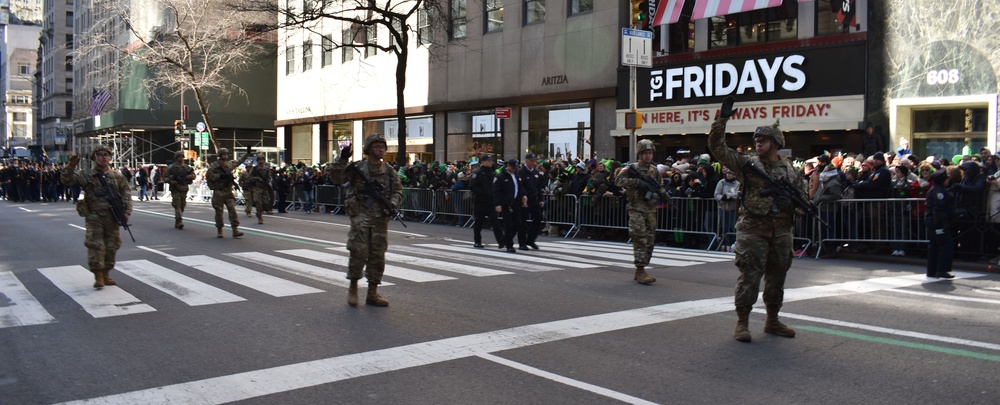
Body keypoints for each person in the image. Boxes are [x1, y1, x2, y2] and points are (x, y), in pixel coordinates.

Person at [708, 96, 802, 343]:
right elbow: (717, 147)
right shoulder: (747, 166)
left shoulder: (792, 169)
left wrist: (791, 205)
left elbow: (804, 202)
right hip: (752, 230)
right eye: (756, 140)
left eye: (764, 140)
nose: (758, 143)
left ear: (776, 143)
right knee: (749, 277)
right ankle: (743, 323)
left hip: (781, 231)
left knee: (777, 278)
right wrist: (722, 119)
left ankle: (772, 320)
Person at [330, 133, 403, 307]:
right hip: (361, 214)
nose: (381, 150)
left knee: (378, 254)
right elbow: (337, 179)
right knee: (359, 251)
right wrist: (342, 160)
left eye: (383, 147)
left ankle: (372, 292)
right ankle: (353, 288)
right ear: (369, 149)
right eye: (377, 147)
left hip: (380, 217)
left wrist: (391, 204)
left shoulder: (389, 170)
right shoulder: (358, 168)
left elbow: (398, 191)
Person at [61, 145, 132, 289]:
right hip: (94, 216)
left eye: (106, 154)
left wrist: (126, 211)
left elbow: (126, 194)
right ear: (94, 158)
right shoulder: (87, 175)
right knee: (96, 245)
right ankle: (98, 275)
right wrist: (71, 166)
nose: (104, 157)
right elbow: (66, 180)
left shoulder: (117, 176)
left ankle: (106, 272)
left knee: (112, 246)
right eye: (100, 154)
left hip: (112, 217)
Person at [614, 139, 667, 285]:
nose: (648, 156)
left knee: (650, 240)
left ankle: (643, 267)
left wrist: (658, 195)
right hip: (636, 208)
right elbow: (618, 181)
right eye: (645, 153)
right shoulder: (632, 168)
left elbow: (660, 187)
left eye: (650, 153)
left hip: (650, 209)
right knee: (640, 237)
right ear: (640, 154)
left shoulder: (654, 170)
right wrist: (637, 183)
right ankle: (640, 270)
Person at [925, 167, 957, 279]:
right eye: (946, 179)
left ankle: (932, 270)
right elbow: (939, 209)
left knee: (934, 246)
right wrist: (943, 223)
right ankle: (942, 270)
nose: (948, 180)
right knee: (945, 245)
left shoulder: (936, 189)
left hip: (933, 221)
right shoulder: (939, 192)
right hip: (938, 222)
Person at [468, 154, 504, 248]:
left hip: (491, 201)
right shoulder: (478, 173)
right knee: (479, 222)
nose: (490, 162)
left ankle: (501, 241)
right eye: (488, 161)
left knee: (495, 222)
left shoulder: (492, 173)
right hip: (481, 201)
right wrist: (482, 193)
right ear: (483, 162)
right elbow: (472, 186)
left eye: (491, 160)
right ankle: (477, 241)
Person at [206, 148, 244, 238]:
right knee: (219, 212)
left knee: (232, 210)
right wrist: (220, 176)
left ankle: (235, 229)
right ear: (220, 155)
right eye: (224, 154)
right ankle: (219, 230)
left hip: (228, 191)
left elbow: (239, 162)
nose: (226, 156)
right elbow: (209, 176)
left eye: (227, 154)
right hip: (219, 192)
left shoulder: (229, 164)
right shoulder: (215, 165)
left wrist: (247, 154)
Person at [517, 153, 546, 250]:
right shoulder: (521, 172)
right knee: (522, 222)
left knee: (538, 218)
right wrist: (522, 197)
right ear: (526, 161)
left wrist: (541, 199)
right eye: (531, 160)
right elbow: (520, 187)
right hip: (524, 200)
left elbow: (538, 187)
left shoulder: (535, 172)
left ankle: (531, 239)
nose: (533, 163)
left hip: (534, 199)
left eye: (534, 161)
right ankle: (522, 242)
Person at [494, 159, 523, 253]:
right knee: (508, 225)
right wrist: (497, 204)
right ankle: (509, 245)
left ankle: (506, 240)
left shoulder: (516, 176)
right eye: (513, 167)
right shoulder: (501, 177)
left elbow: (520, 188)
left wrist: (523, 196)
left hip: (516, 203)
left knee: (518, 223)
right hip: (506, 204)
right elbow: (496, 192)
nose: (515, 169)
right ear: (508, 166)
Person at [166, 151, 196, 229]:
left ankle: (177, 220)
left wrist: (187, 177)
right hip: (175, 189)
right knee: (177, 205)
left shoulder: (186, 167)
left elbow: (193, 175)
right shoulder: (171, 167)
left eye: (182, 157)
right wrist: (171, 181)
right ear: (176, 158)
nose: (181, 158)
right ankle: (179, 221)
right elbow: (165, 178)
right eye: (179, 157)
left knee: (182, 205)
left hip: (184, 188)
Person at [248, 155, 273, 224]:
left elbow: (269, 177)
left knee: (265, 202)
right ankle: (259, 216)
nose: (261, 161)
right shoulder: (255, 168)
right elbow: (249, 177)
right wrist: (257, 178)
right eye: (259, 160)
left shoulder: (267, 169)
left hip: (264, 187)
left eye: (262, 159)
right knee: (257, 201)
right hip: (257, 187)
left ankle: (265, 210)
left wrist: (268, 182)